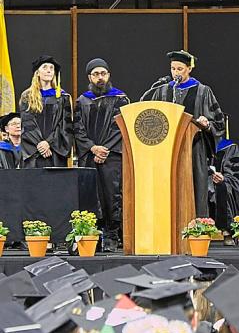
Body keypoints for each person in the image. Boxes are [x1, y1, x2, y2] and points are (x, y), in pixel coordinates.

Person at [143, 50, 225, 216]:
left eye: (179, 69)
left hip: (194, 148)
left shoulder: (202, 91)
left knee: (196, 187)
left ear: (189, 69)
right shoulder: (163, 90)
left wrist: (207, 124)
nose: (175, 73)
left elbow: (218, 121)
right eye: (173, 69)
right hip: (166, 149)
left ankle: (197, 229)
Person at [74, 58, 130, 252]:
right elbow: (77, 128)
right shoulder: (82, 100)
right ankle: (92, 235)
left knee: (112, 195)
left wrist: (104, 149)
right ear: (89, 77)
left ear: (108, 75)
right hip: (89, 156)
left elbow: (120, 128)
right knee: (91, 195)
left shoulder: (120, 99)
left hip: (112, 156)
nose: (100, 78)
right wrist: (92, 148)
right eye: (96, 74)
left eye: (103, 74)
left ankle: (113, 235)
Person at [19, 55, 73, 168]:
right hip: (34, 152)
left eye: (51, 68)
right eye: (45, 67)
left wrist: (49, 143)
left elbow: (65, 125)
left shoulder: (63, 97)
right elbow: (27, 124)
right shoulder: (27, 97)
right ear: (37, 72)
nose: (49, 70)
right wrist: (40, 144)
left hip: (55, 152)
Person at [209, 120, 239, 247]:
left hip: (221, 184)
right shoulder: (199, 146)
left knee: (224, 187)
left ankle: (227, 232)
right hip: (205, 184)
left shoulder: (230, 147)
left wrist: (224, 178)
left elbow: (237, 175)